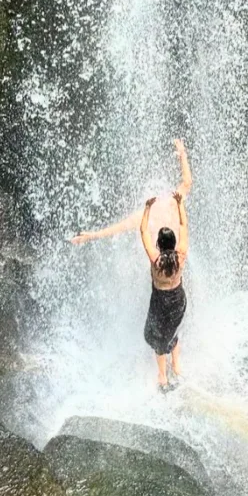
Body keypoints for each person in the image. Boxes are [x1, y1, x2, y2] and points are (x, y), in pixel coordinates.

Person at [70, 139, 192, 390]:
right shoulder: (181, 252)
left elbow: (125, 230)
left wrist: (90, 235)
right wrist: (182, 154)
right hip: (179, 294)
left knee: (156, 334)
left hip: (161, 297)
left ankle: (162, 376)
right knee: (173, 325)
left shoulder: (154, 257)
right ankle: (177, 366)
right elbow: (186, 201)